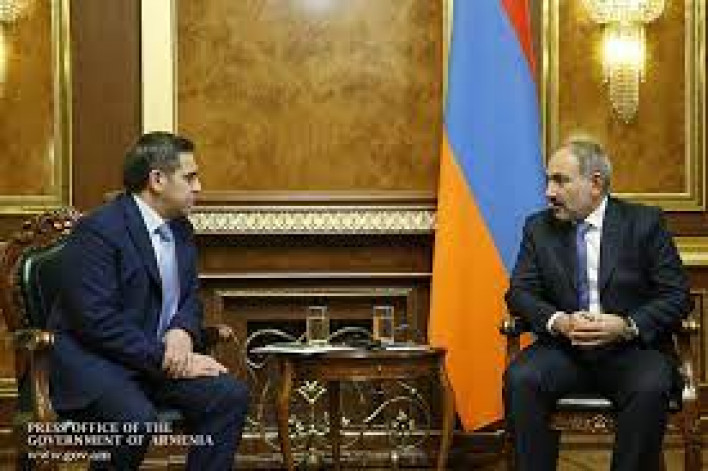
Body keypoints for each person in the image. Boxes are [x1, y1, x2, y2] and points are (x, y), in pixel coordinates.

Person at [48, 132, 249, 470]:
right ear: (157, 180)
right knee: (135, 421)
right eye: (190, 177)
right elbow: (95, 321)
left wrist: (182, 332)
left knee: (228, 395)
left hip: (154, 366)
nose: (198, 187)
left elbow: (190, 297)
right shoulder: (98, 230)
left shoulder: (181, 229)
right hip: (102, 364)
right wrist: (169, 359)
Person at [503, 137, 692, 471]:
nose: (549, 192)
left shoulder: (644, 223)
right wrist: (560, 321)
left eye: (560, 181)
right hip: (563, 351)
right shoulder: (538, 227)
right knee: (522, 378)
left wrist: (627, 326)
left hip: (632, 352)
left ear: (595, 184)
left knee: (650, 385)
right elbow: (519, 293)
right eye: (548, 180)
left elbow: (677, 296)